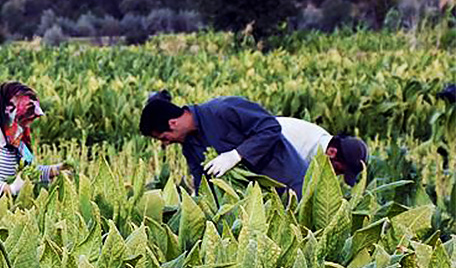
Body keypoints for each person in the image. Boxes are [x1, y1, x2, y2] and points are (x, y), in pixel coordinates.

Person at [140, 94, 308, 196]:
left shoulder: (223, 109)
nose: (167, 143)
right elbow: (202, 182)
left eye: (164, 137)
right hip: (259, 200)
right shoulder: (190, 146)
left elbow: (271, 128)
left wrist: (237, 154)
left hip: (290, 184)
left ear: (173, 123)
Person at [0, 81, 67, 202]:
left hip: (3, 208)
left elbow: (27, 172)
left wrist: (56, 170)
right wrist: (10, 189)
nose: (27, 125)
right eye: (24, 119)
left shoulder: (17, 136)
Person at [278, 117, 368, 186]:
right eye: (336, 169)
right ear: (332, 152)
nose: (334, 174)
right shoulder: (298, 144)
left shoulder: (322, 142)